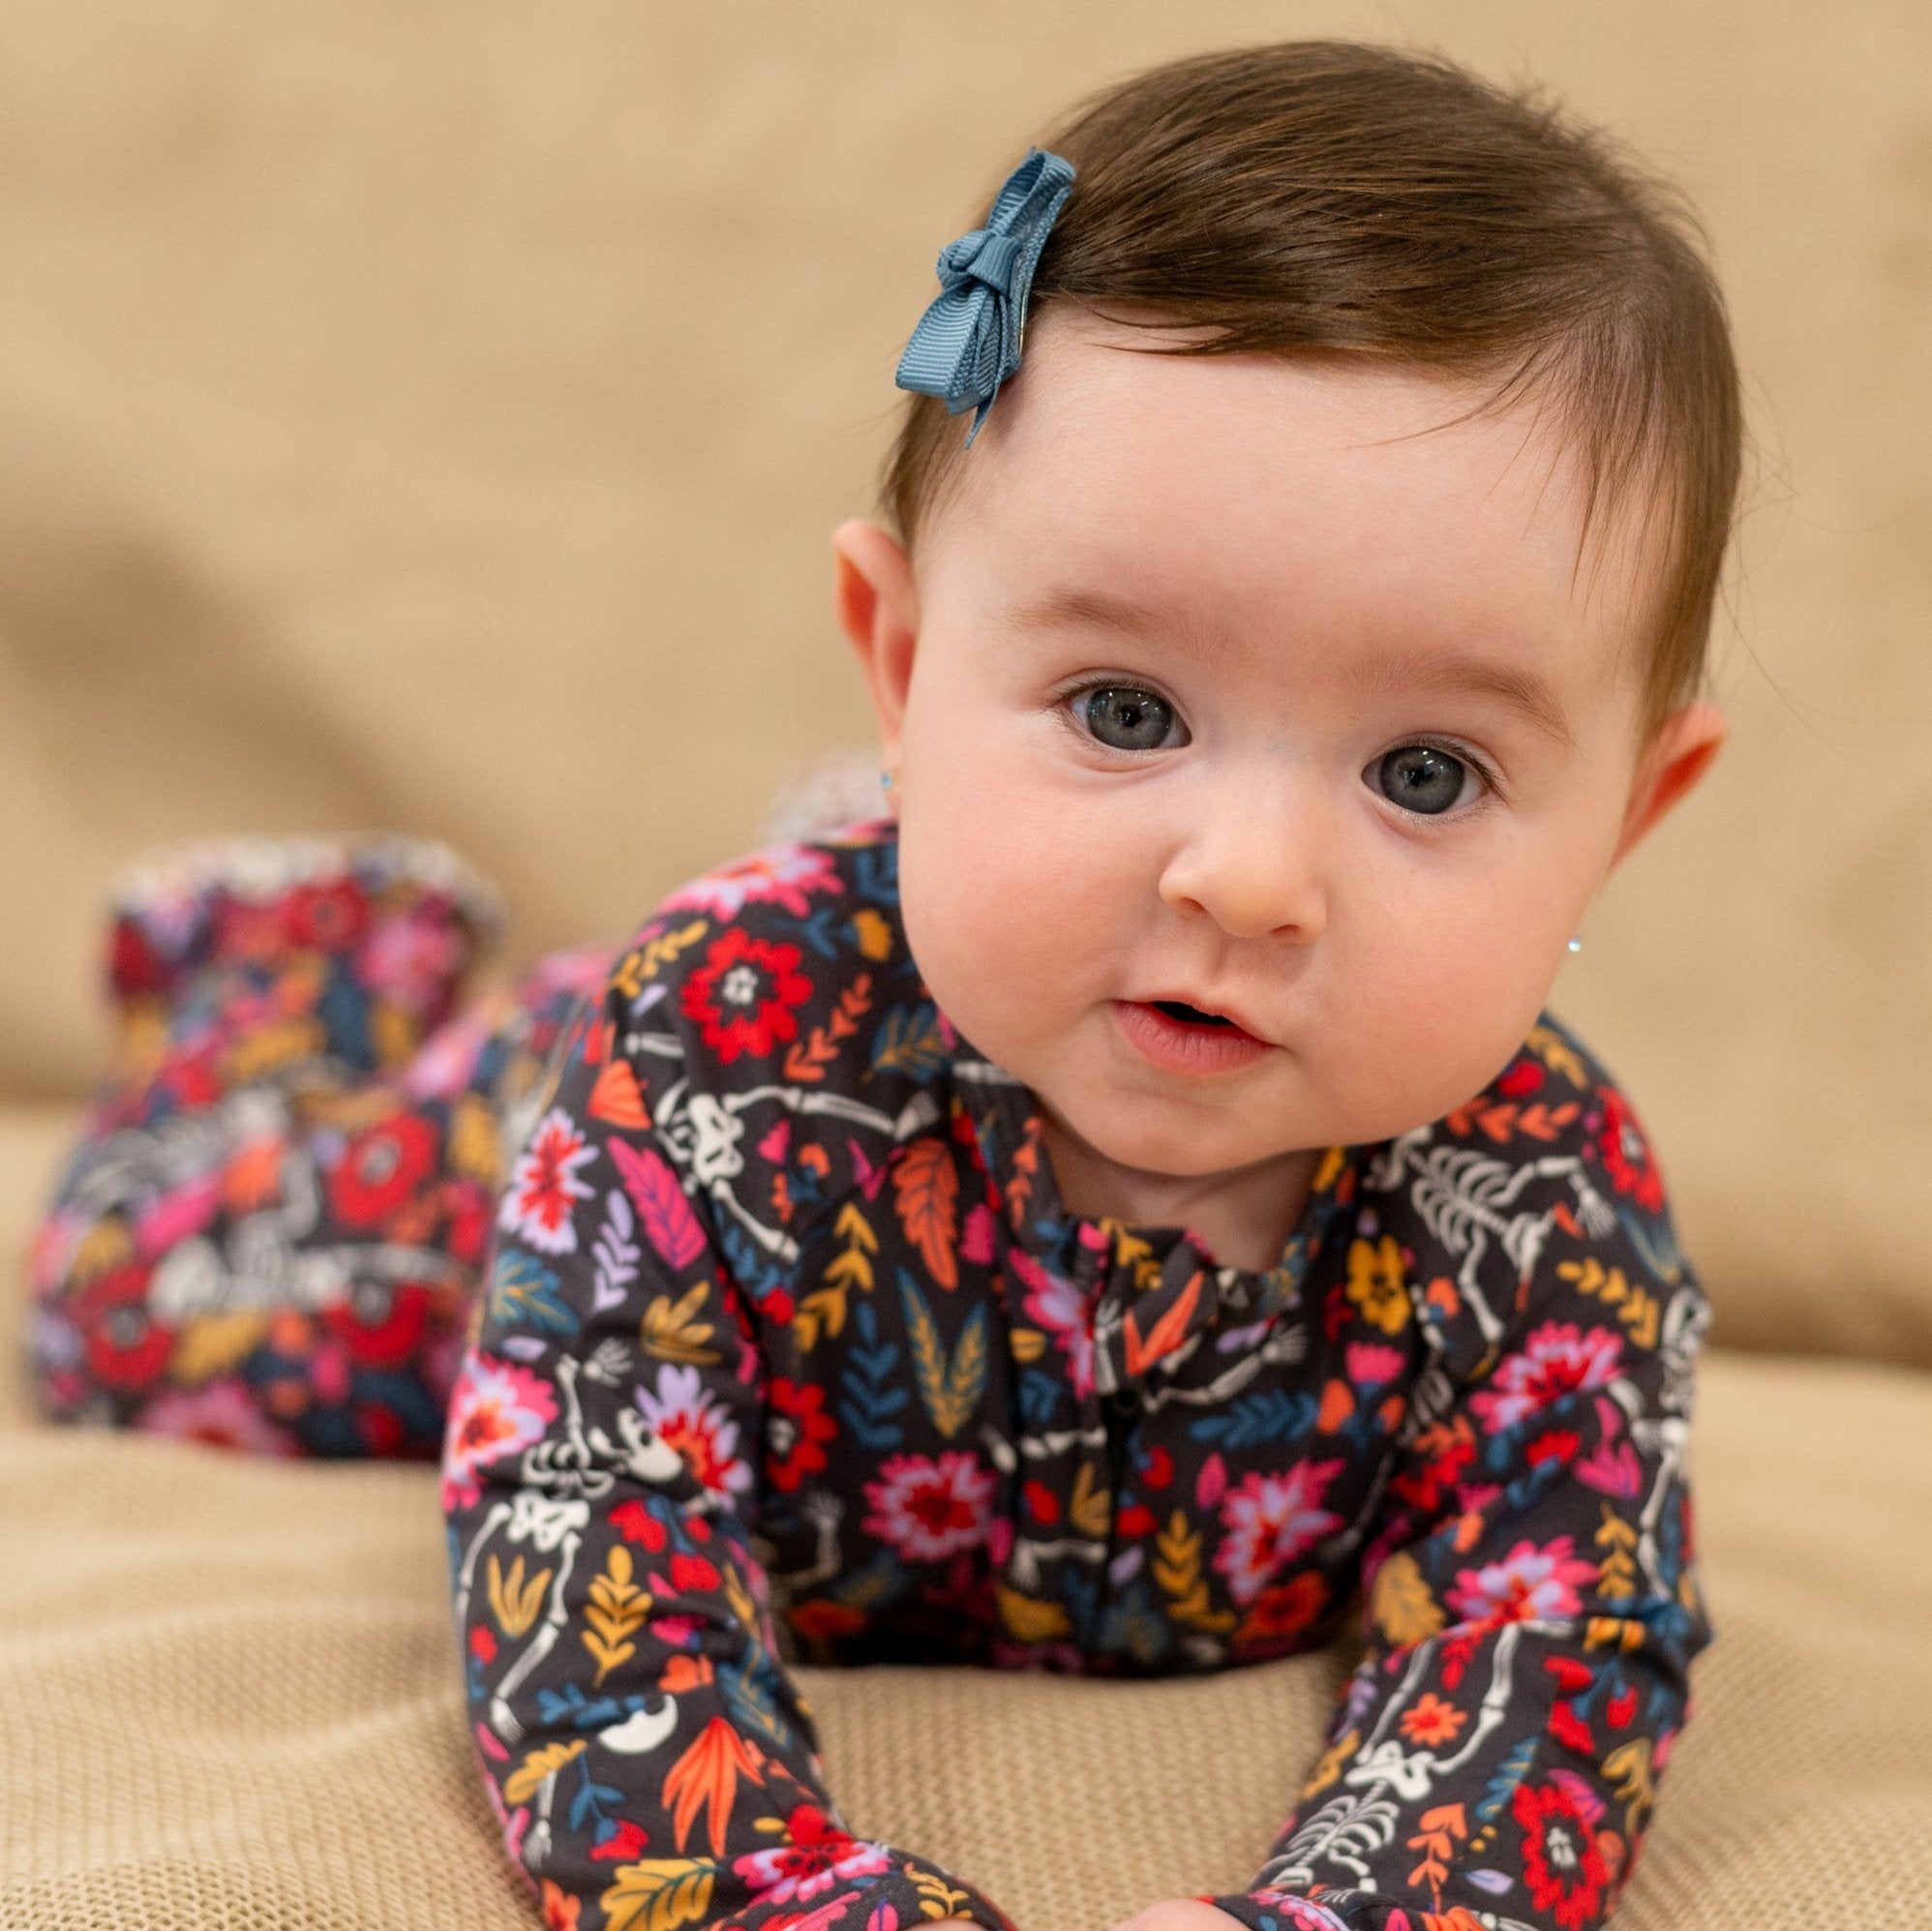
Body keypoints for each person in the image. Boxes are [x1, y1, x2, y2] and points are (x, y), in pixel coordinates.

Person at [24, 38, 1740, 1931]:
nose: (1246, 877)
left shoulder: (1544, 1213)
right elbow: (599, 1557)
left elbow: (1553, 1649)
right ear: (902, 652)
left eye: (1424, 772)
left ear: (1628, 812)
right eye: (1121, 711)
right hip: (536, 1150)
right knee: (129, 1307)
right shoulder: (713, 1064)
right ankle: (295, 975)